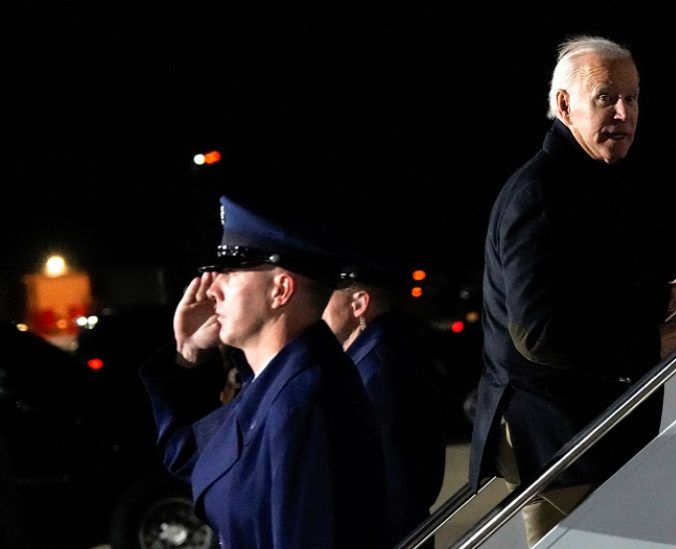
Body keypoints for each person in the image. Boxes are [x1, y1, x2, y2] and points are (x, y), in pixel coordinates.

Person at [467, 34, 676, 545]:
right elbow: (538, 332)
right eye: (607, 97)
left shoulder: (584, 179)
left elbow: (587, 292)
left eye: (634, 97)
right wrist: (650, 346)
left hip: (584, 435)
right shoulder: (541, 192)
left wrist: (662, 298)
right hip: (561, 442)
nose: (625, 112)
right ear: (564, 105)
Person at [139, 194, 389, 549]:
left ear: (281, 289)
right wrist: (189, 355)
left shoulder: (303, 402)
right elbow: (193, 459)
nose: (211, 287)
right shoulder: (276, 383)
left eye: (231, 270)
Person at [322, 258, 446, 548]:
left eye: (326, 295)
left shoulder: (376, 372)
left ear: (358, 304)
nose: (317, 307)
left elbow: (392, 483)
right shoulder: (372, 359)